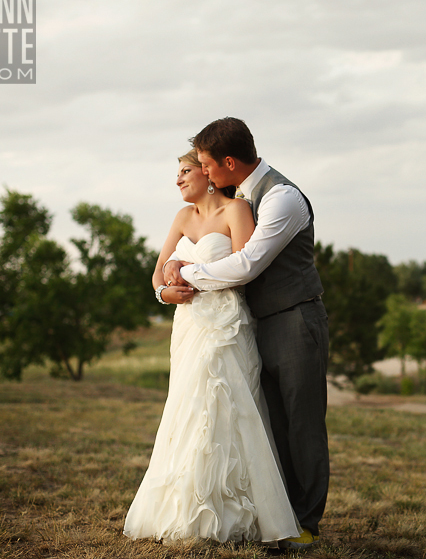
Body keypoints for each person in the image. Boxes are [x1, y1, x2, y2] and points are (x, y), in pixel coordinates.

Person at [163, 117, 329, 552]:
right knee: (269, 424)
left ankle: (306, 523)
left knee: (302, 424)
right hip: (253, 325)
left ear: (229, 163)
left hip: (294, 319)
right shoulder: (241, 197)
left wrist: (186, 273)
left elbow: (248, 263)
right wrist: (167, 284)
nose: (202, 171)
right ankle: (277, 515)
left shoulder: (281, 198)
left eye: (205, 164)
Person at [123, 149, 301, 546]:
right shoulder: (182, 217)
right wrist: (164, 293)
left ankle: (237, 512)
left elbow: (245, 270)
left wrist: (186, 272)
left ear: (207, 172)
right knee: (186, 406)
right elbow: (157, 273)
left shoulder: (236, 210)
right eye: (178, 173)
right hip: (188, 325)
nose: (178, 179)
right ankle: (187, 510)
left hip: (226, 324)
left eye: (186, 170)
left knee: (227, 406)